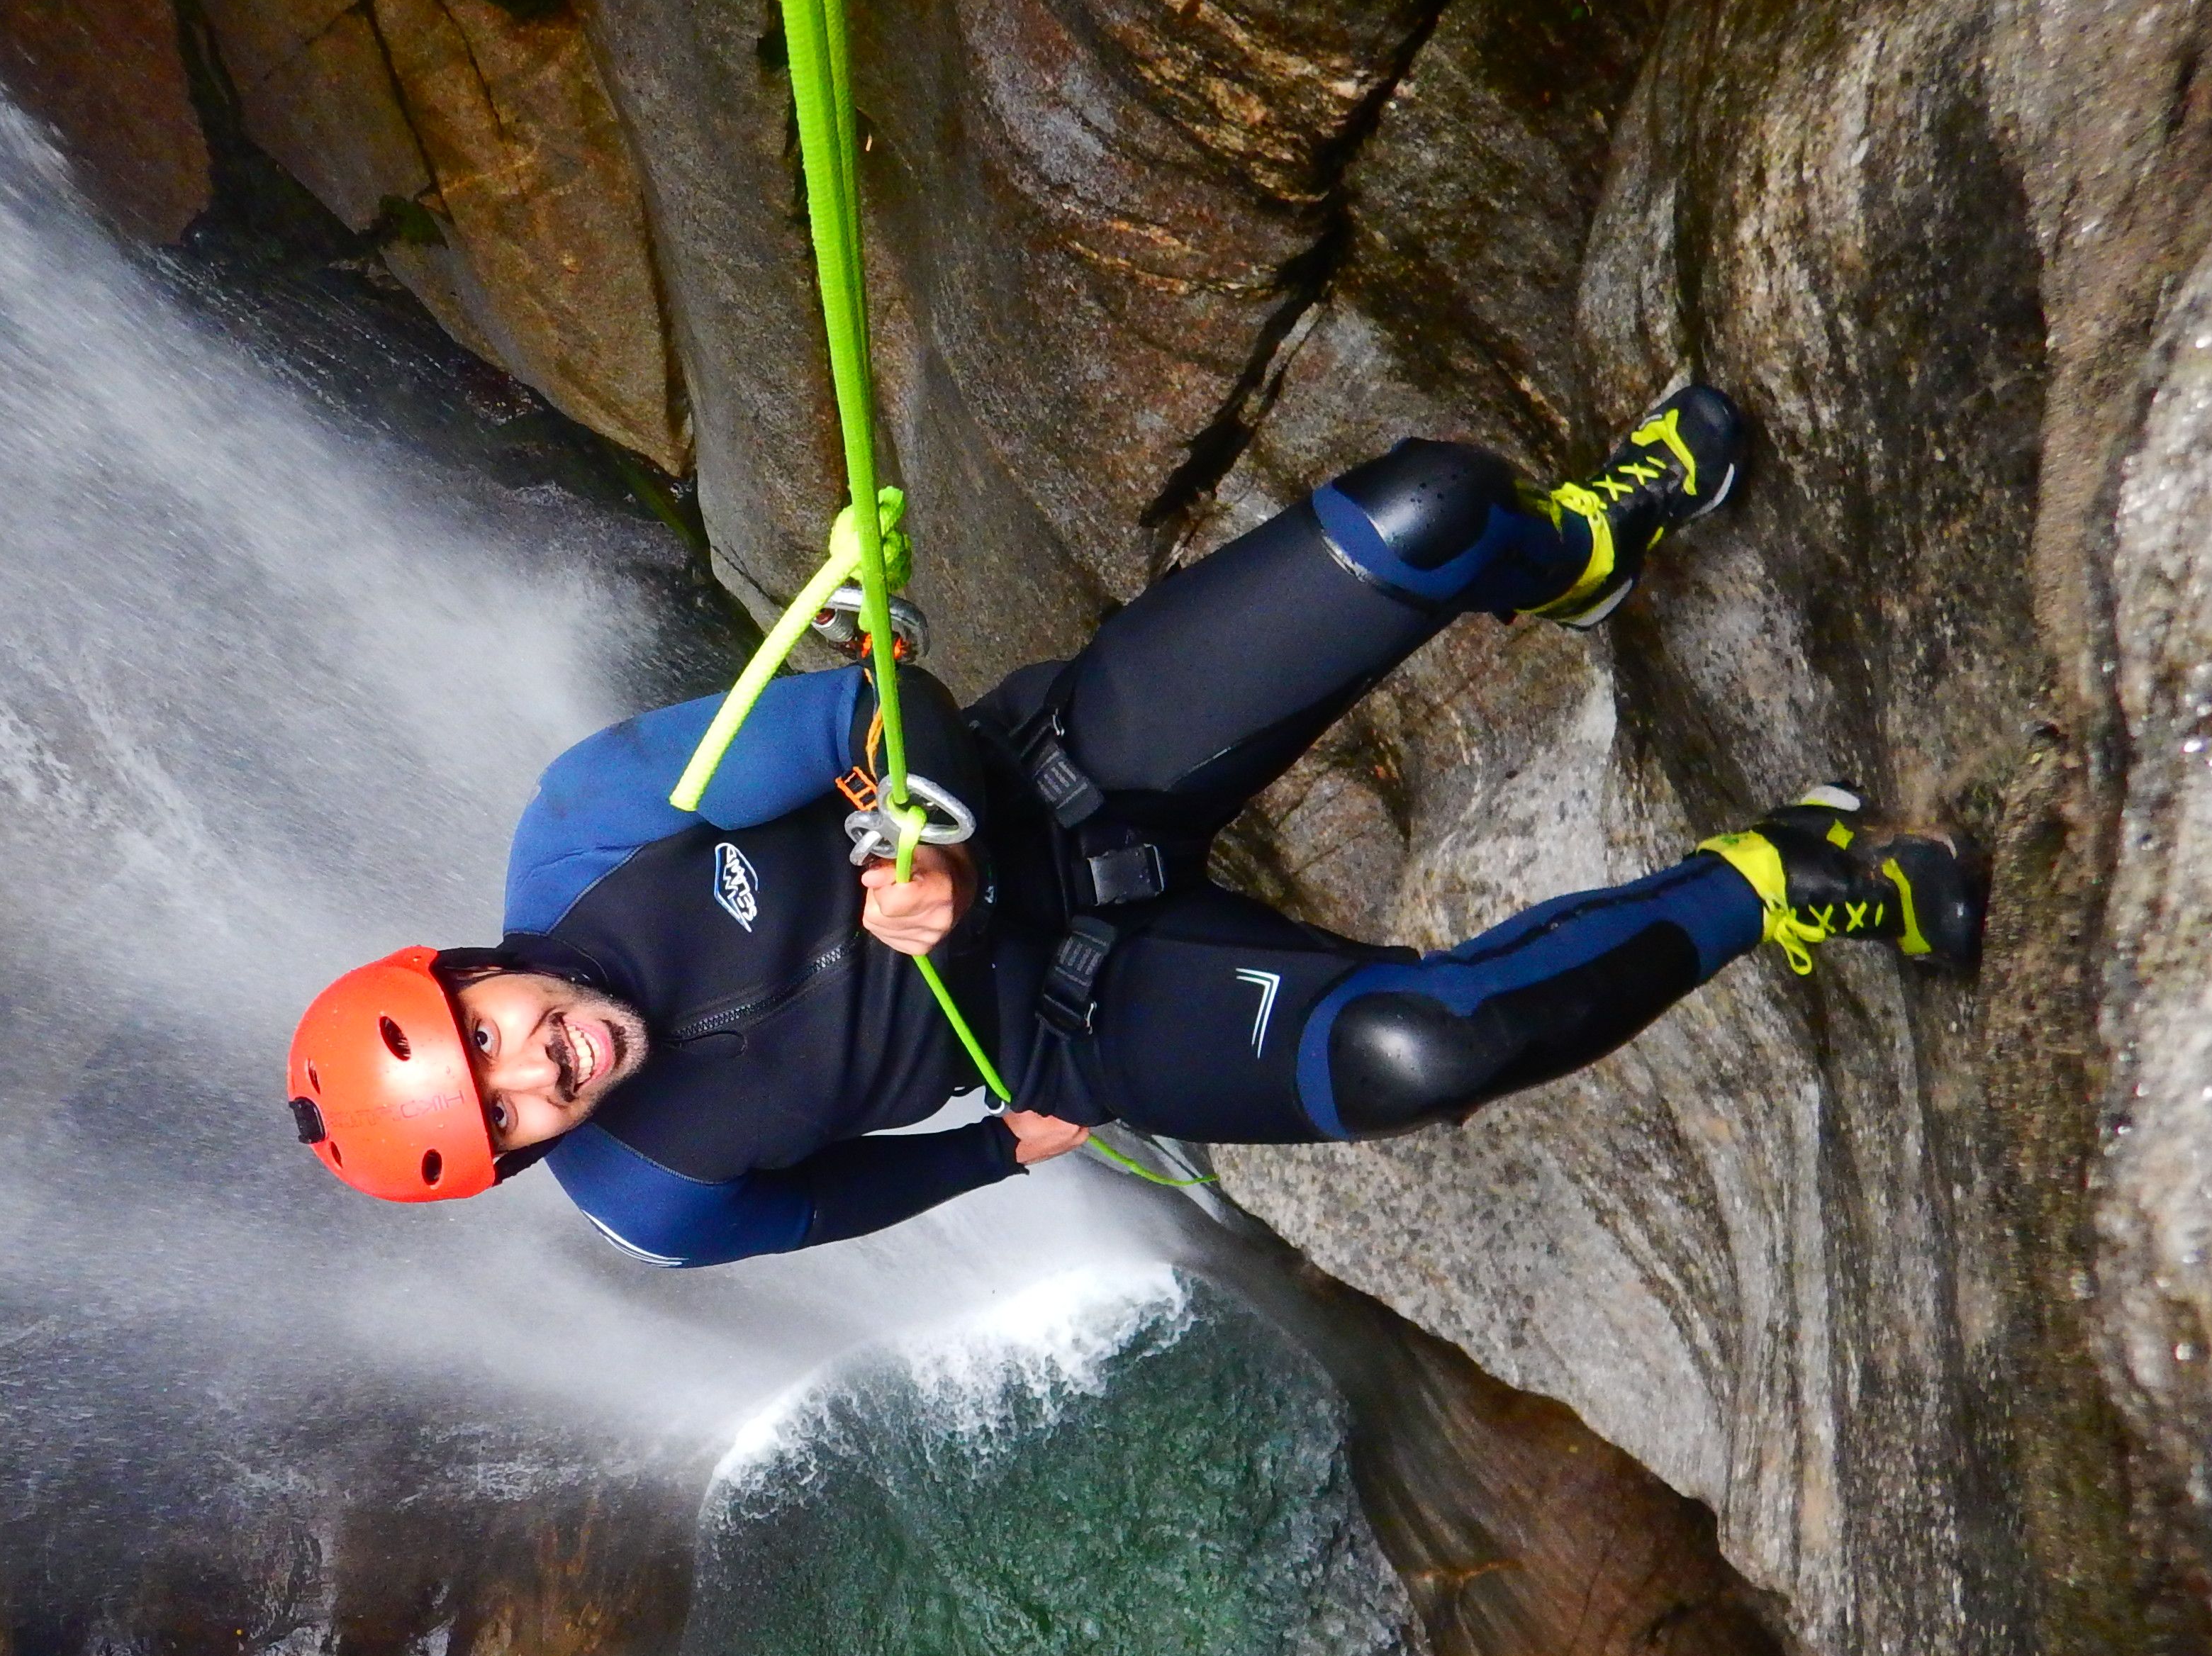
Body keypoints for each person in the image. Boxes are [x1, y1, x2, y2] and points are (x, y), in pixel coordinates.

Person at [283, 389, 1982, 1267]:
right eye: (506, 1117)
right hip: (1081, 1019)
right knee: (1423, 1053)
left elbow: (878, 706)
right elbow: (832, 1211)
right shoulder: (654, 1195)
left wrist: (932, 837)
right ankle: (1787, 877)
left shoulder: (592, 824)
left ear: (472, 964)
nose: (539, 1071)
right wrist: (993, 1145)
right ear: (520, 1159)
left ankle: (1573, 558)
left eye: (484, 1036)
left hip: (1065, 769)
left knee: (1429, 513)